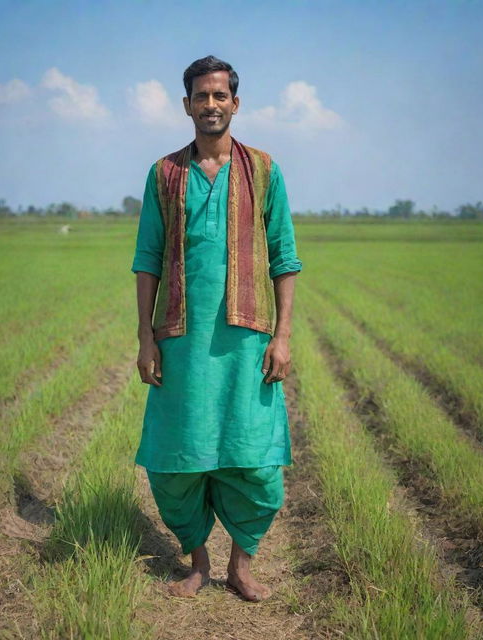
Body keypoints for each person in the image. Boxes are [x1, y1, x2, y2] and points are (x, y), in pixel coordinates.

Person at [130, 55, 302, 602]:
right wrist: (145, 336)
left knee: (255, 462)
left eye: (219, 96)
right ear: (187, 105)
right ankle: (199, 564)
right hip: (179, 340)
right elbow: (148, 259)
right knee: (177, 461)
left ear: (235, 102)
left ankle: (241, 566)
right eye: (200, 97)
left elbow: (285, 257)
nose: (210, 105)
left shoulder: (265, 170)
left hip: (246, 340)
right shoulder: (164, 174)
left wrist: (283, 335)